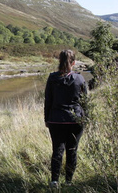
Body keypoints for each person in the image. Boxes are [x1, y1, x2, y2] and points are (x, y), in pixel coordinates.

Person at [44, 49, 88, 188]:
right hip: (76, 120)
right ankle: (68, 182)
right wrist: (86, 118)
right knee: (72, 150)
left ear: (59, 61)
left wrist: (47, 119)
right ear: (74, 63)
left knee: (57, 150)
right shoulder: (80, 78)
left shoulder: (52, 78)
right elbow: (85, 102)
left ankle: (54, 181)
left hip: (56, 120)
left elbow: (48, 100)